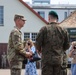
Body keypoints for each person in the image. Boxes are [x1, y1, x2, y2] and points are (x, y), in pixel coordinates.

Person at [35, 11, 70, 75]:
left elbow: (37, 43)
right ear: (57, 19)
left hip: (47, 60)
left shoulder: (44, 29)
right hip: (59, 60)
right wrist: (61, 50)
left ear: (48, 18)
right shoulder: (63, 30)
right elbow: (67, 45)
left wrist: (39, 49)